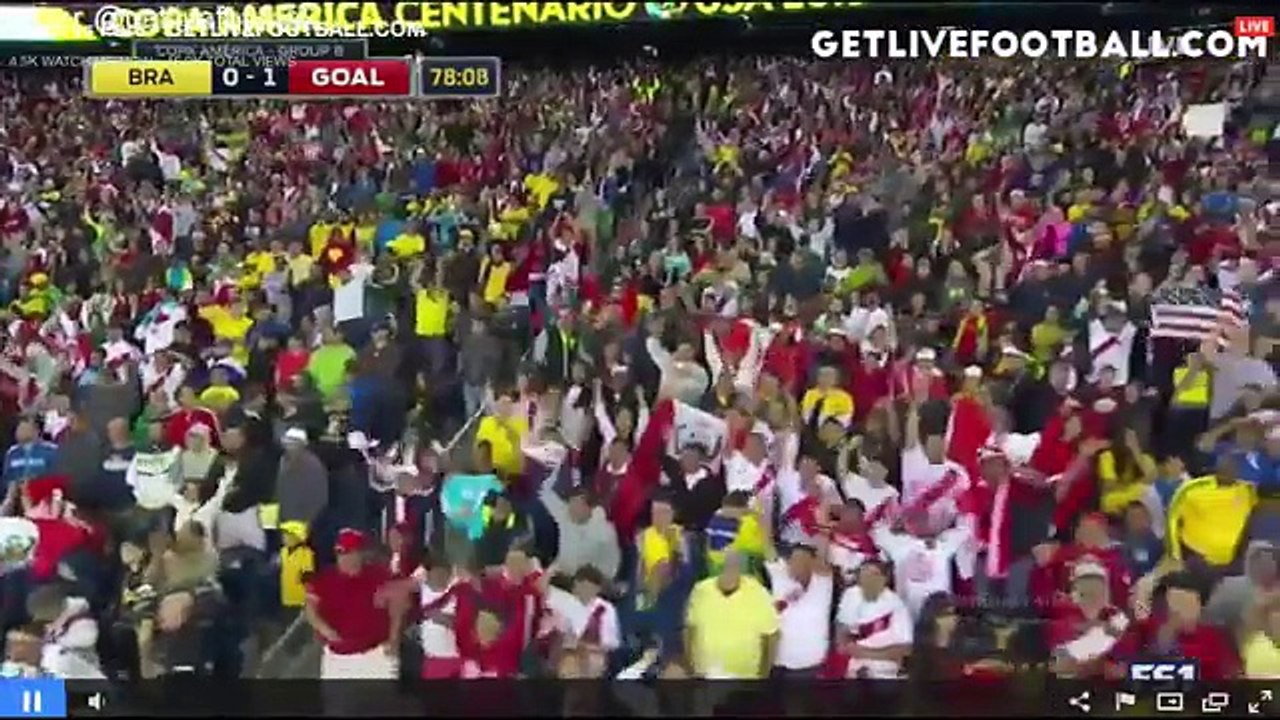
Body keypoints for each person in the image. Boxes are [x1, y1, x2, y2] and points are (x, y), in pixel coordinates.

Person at [304, 529, 402, 680]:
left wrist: (394, 638)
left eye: (349, 552)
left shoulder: (380, 575)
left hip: (375, 655)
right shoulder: (324, 579)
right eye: (340, 552)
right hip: (338, 658)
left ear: (360, 553)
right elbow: (310, 609)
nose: (344, 557)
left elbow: (397, 605)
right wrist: (326, 630)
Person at [684, 549, 780, 679]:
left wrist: (763, 676)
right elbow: (689, 630)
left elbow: (772, 636)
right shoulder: (701, 590)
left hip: (745, 679)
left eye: (734, 565)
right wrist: (691, 669)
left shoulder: (758, 593)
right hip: (705, 676)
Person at [829, 559, 913, 679]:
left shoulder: (896, 605)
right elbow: (841, 629)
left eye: (873, 574)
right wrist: (843, 644)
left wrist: (866, 653)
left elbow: (906, 649)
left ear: (885, 579)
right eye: (864, 574)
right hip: (852, 669)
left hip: (883, 671)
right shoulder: (851, 595)